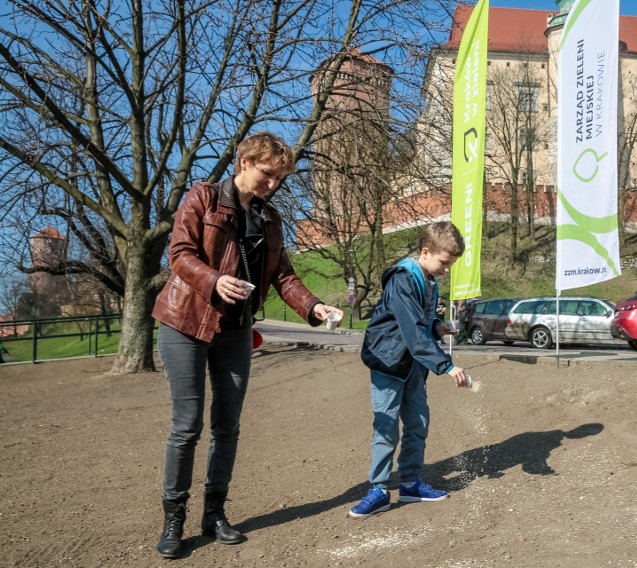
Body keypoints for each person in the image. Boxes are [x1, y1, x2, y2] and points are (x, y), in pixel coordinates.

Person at [151, 131, 343, 559]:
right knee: (187, 426)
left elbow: (284, 276)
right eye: (268, 174)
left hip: (236, 330)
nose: (273, 184)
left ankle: (214, 513)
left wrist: (315, 308)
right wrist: (214, 279)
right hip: (185, 322)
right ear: (244, 162)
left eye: (280, 179)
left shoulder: (270, 219)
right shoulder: (202, 198)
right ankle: (174, 520)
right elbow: (180, 253)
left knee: (228, 426)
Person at [350, 221, 468, 518]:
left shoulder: (428, 278)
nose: (447, 269)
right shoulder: (403, 279)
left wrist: (438, 327)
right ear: (426, 251)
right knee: (386, 428)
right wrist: (447, 365)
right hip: (389, 362)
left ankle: (411, 483)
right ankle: (378, 489)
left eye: (451, 264)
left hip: (413, 364)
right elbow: (412, 330)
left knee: (417, 424)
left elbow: (419, 323)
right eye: (444, 262)